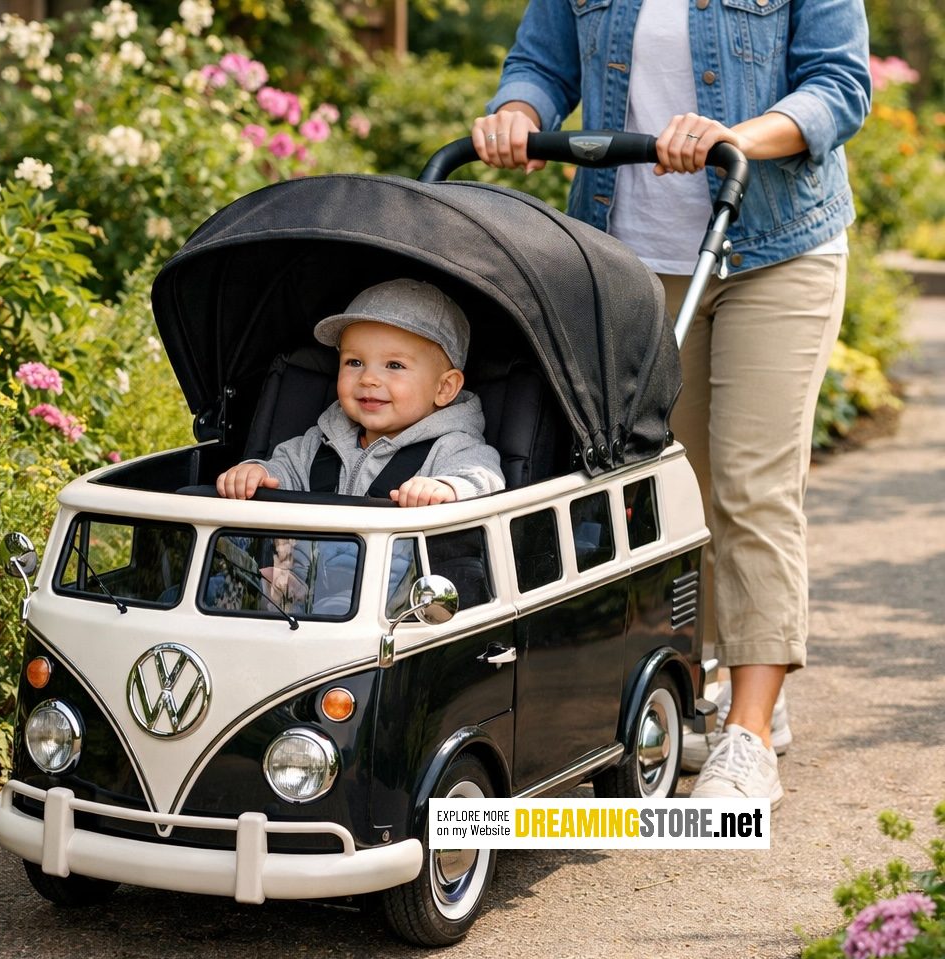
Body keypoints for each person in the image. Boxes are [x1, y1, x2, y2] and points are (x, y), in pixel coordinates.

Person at [473, 0, 870, 805]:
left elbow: (839, 84)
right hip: (629, 258)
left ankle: (751, 731)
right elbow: (544, 63)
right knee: (665, 496)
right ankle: (700, 680)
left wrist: (737, 136)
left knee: (751, 486)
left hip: (775, 247)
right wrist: (518, 111)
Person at [216, 278, 505, 507]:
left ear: (444, 388)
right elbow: (285, 471)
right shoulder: (320, 442)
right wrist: (258, 473)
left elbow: (483, 478)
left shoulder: (453, 448)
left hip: (403, 578)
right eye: (354, 362)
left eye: (394, 365)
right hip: (309, 574)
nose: (368, 378)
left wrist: (447, 488)